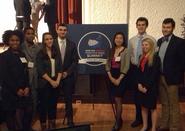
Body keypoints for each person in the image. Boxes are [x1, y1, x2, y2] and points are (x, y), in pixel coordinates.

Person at [0, 30, 32, 131]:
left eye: (17, 40)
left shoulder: (22, 54)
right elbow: (4, 76)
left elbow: (25, 72)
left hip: (23, 90)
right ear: (7, 41)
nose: (15, 42)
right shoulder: (3, 56)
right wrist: (16, 90)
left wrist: (27, 86)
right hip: (9, 91)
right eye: (12, 40)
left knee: (28, 110)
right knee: (10, 114)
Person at [157, 18, 185, 131]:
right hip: (160, 77)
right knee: (164, 103)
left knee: (173, 104)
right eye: (164, 27)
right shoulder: (159, 41)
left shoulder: (180, 42)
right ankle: (164, 125)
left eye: (168, 27)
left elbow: (183, 62)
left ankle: (174, 127)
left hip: (172, 79)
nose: (165, 29)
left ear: (173, 28)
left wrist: (177, 77)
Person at [128, 17, 156, 128]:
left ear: (146, 26)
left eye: (143, 24)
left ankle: (149, 121)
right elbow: (130, 55)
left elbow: (154, 55)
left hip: (148, 69)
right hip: (135, 69)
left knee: (148, 96)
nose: (141, 26)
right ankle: (138, 118)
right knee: (137, 96)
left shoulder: (152, 39)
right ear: (136, 26)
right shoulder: (131, 40)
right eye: (139, 24)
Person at [36, 32, 62, 130]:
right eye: (47, 39)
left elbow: (60, 68)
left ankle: (52, 124)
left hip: (56, 83)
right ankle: (43, 125)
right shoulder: (40, 53)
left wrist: (58, 81)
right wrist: (51, 81)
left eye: (50, 38)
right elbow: (40, 70)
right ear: (43, 41)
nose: (49, 40)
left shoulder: (56, 52)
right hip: (45, 83)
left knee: (53, 104)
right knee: (43, 105)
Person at [53, 23, 78, 127]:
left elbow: (75, 61)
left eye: (64, 30)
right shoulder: (51, 43)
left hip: (68, 76)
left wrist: (67, 73)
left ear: (67, 32)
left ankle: (70, 120)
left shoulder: (72, 44)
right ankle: (52, 121)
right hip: (54, 77)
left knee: (68, 100)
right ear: (57, 31)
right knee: (53, 100)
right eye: (60, 30)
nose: (62, 31)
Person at [105, 32, 130, 131]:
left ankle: (117, 122)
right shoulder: (111, 50)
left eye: (121, 38)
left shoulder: (126, 50)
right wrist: (110, 77)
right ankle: (119, 119)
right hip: (111, 76)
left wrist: (119, 79)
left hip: (121, 78)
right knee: (115, 99)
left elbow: (127, 66)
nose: (118, 40)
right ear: (114, 39)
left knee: (118, 99)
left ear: (123, 40)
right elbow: (107, 63)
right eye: (117, 38)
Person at [136, 38, 160, 131]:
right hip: (141, 87)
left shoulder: (155, 58)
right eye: (143, 45)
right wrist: (139, 84)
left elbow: (154, 75)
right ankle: (145, 126)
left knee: (152, 108)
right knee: (143, 107)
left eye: (146, 45)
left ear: (151, 46)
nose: (144, 46)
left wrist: (146, 87)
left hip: (150, 88)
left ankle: (153, 127)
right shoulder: (140, 57)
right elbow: (138, 73)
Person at [21, 27, 41, 118]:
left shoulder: (38, 48)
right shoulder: (20, 47)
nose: (30, 35)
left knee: (35, 100)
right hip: (24, 78)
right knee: (24, 102)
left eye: (32, 33)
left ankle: (31, 121)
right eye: (28, 33)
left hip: (36, 77)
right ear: (24, 35)